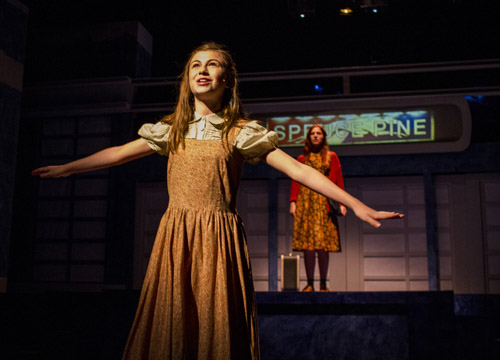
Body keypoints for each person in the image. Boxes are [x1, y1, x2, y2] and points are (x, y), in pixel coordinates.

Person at [32, 42, 403, 360]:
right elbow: (117, 153)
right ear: (187, 78)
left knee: (216, 323)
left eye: (212, 64)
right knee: (171, 320)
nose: (202, 70)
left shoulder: (239, 131)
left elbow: (299, 171)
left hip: (217, 236)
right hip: (176, 234)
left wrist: (355, 204)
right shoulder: (172, 130)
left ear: (227, 79)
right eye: (195, 65)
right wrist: (68, 168)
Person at [289, 124, 346, 293]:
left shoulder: (331, 156)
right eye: (312, 133)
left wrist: (342, 202)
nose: (315, 136)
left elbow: (338, 179)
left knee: (322, 244)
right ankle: (309, 283)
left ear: (323, 136)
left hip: (323, 202)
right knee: (308, 245)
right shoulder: (301, 159)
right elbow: (296, 180)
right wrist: (293, 201)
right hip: (306, 203)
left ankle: (322, 283)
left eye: (318, 133)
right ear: (308, 137)